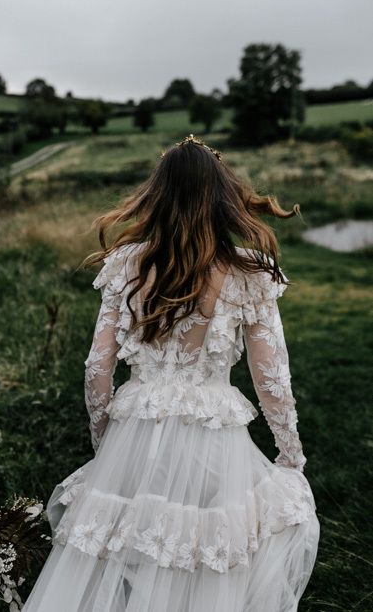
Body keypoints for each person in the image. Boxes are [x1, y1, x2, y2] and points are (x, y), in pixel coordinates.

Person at [23, 135, 319, 612]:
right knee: (206, 558)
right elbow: (272, 378)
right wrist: (291, 455)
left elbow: (98, 368)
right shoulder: (247, 273)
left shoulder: (125, 264)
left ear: (157, 195)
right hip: (213, 440)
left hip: (136, 430)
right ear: (223, 197)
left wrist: (107, 442)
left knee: (128, 559)